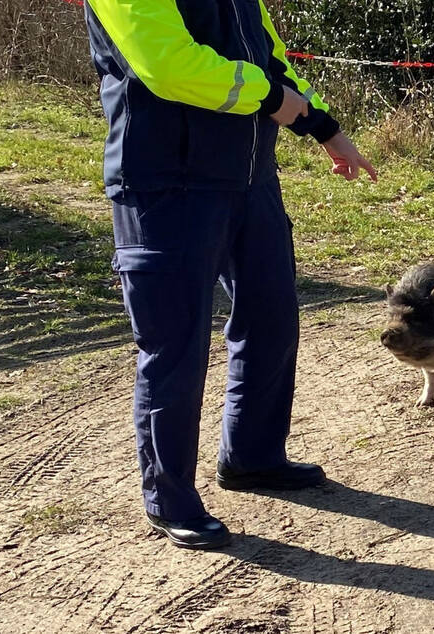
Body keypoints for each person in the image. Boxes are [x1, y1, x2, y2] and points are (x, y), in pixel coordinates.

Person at [83, 0, 377, 550]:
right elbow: (169, 64)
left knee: (271, 319)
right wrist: (271, 100)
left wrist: (327, 129)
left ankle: (253, 457)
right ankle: (170, 498)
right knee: (175, 346)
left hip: (250, 181)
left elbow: (272, 60)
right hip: (165, 185)